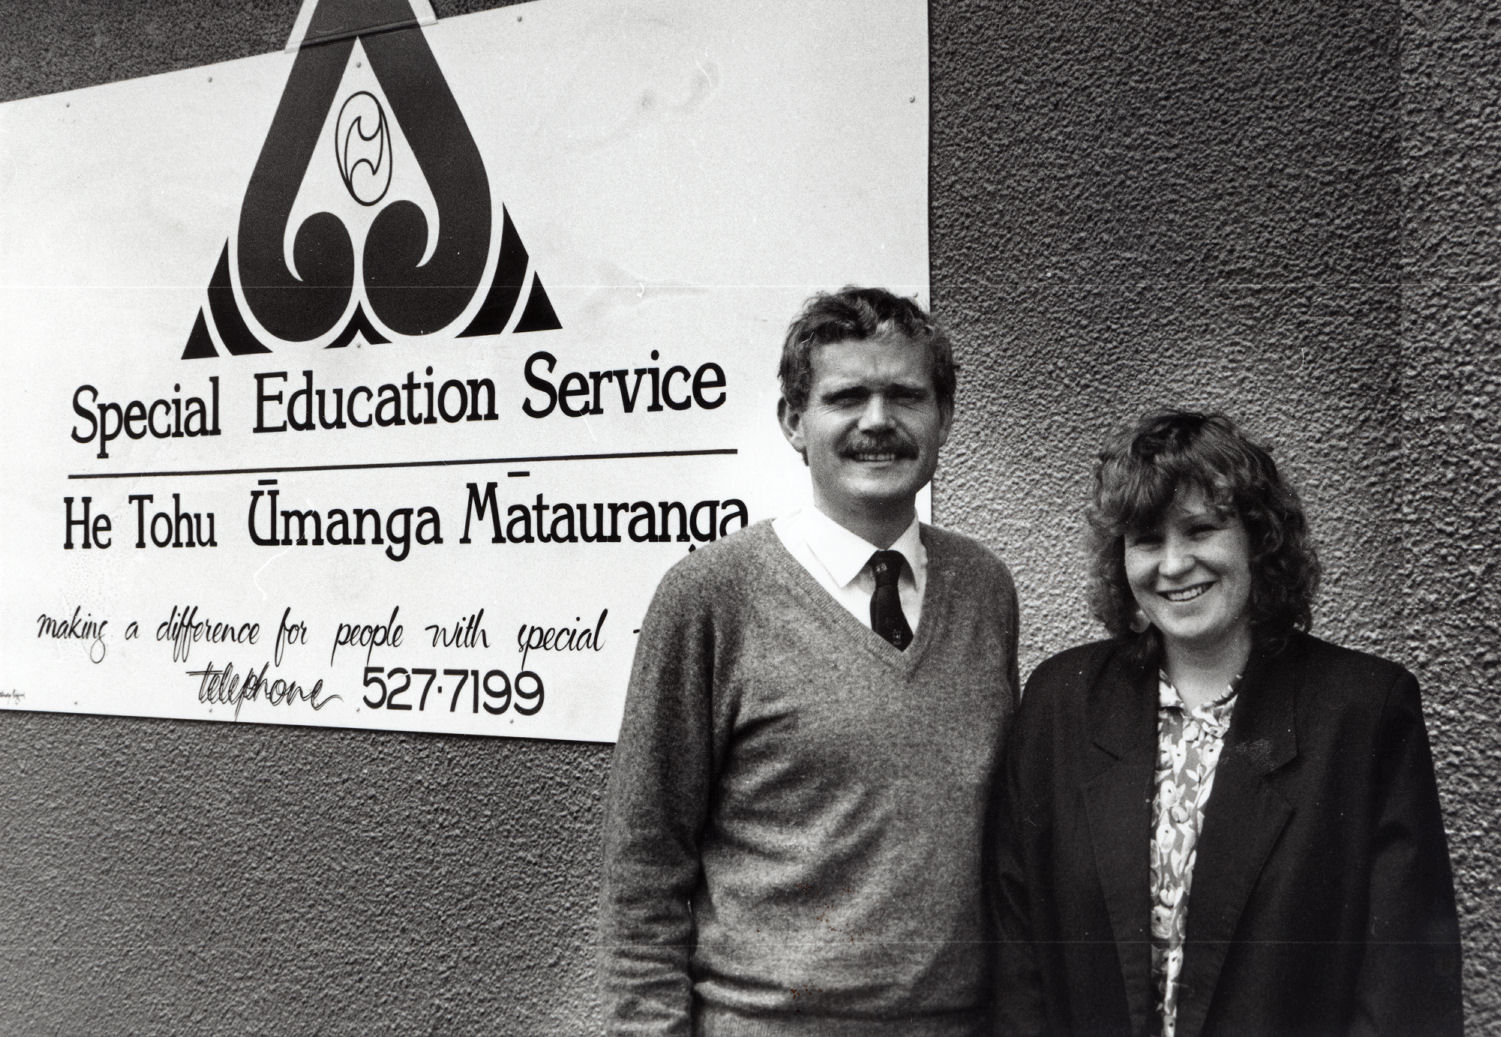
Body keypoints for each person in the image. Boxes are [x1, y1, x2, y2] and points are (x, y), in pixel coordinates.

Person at [599, 287, 1020, 1035]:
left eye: (904, 395)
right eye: (846, 396)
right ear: (794, 421)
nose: (877, 421)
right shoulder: (710, 596)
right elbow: (645, 864)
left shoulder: (983, 587)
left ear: (944, 418)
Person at [994, 409, 1464, 1037]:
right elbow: (1017, 950)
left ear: (1258, 539)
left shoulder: (1364, 712)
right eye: (1146, 539)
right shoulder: (1062, 701)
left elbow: (1404, 987)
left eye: (1201, 529)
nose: (1173, 564)